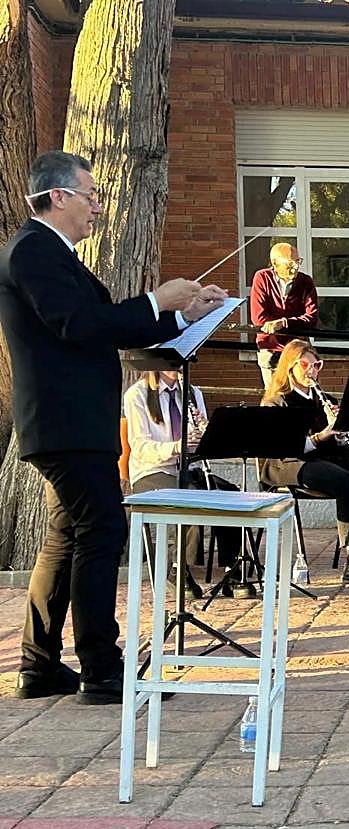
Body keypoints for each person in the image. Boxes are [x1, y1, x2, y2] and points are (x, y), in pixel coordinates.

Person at [0, 150, 224, 704]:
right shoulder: (32, 251)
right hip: (66, 421)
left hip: (73, 421)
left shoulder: (58, 256)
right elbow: (78, 325)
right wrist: (155, 299)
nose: (97, 207)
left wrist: (183, 315)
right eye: (90, 195)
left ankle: (39, 664)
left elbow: (111, 322)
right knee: (101, 531)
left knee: (67, 536)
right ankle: (102, 667)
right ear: (57, 197)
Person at [259, 340, 349, 585]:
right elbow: (285, 446)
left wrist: (342, 433)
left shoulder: (325, 399)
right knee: (347, 481)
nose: (312, 370)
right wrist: (322, 435)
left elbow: (336, 444)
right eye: (306, 364)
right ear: (290, 367)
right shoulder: (277, 402)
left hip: (326, 461)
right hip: (289, 463)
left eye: (317, 365)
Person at [124, 370, 242, 598]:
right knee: (191, 497)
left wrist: (206, 434)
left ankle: (232, 568)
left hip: (186, 469)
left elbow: (203, 443)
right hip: (152, 471)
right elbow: (140, 448)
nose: (178, 368)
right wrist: (177, 446)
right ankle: (178, 569)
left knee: (231, 495)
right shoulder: (137, 394)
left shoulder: (193, 392)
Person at [250, 243, 319, 387]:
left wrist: (284, 323)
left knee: (302, 398)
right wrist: (289, 324)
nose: (295, 267)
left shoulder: (305, 282)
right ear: (275, 263)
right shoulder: (262, 277)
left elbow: (311, 317)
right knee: (274, 399)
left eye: (298, 261)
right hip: (271, 348)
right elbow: (258, 318)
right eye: (290, 263)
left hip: (298, 350)